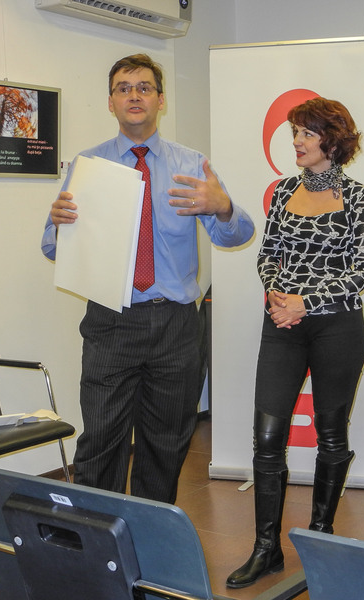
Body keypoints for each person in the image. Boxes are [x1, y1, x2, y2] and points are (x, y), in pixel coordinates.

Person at [41, 54, 254, 504]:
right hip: (110, 321)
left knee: (166, 445)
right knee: (101, 442)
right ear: (111, 102)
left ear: (160, 100)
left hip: (175, 324)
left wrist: (223, 207)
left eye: (144, 87)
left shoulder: (191, 165)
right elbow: (52, 247)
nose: (134, 95)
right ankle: (98, 538)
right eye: (124, 88)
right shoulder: (87, 165)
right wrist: (59, 226)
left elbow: (235, 236)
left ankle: (150, 536)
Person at [226, 98, 364, 589]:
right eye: (295, 132)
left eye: (306, 133)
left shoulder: (359, 197)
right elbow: (268, 254)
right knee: (267, 435)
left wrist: (305, 302)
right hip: (282, 325)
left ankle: (320, 539)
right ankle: (266, 548)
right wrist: (277, 293)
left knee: (331, 436)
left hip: (337, 328)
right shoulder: (284, 191)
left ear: (332, 140)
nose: (296, 141)